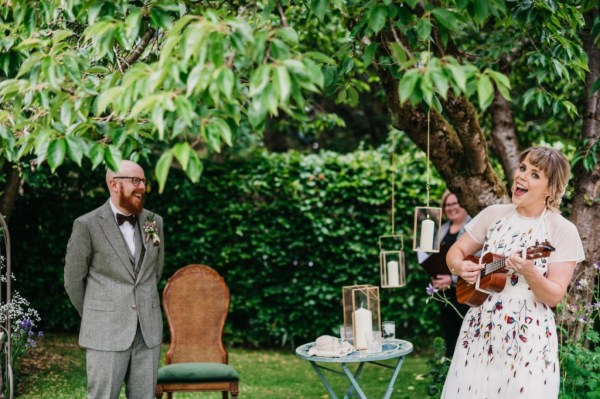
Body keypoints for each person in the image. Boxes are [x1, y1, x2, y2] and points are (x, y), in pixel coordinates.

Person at [441, 146, 585, 398]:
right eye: (522, 168)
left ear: (551, 189)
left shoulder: (562, 229)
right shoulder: (494, 215)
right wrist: (460, 266)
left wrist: (530, 272)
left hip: (528, 339)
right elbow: (455, 252)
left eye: (535, 174)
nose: (522, 176)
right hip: (479, 330)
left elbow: (553, 296)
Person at [64, 160, 165, 399]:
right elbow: (73, 280)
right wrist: (97, 313)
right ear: (113, 184)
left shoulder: (154, 222)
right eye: (135, 181)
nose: (141, 186)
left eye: (143, 181)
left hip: (147, 332)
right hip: (105, 331)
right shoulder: (86, 224)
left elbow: (155, 273)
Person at [418, 191, 471, 357]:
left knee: (466, 337)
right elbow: (435, 257)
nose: (451, 208)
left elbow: (475, 260)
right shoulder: (442, 230)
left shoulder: (472, 228)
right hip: (444, 294)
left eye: (455, 203)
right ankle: (449, 375)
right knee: (450, 337)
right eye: (447, 205)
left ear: (463, 203)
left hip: (465, 291)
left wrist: (452, 279)